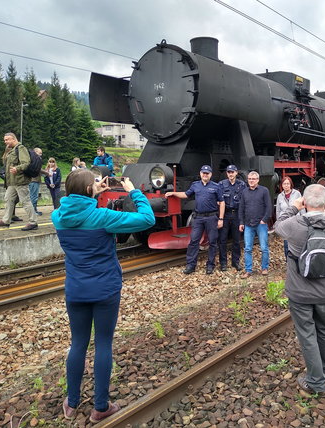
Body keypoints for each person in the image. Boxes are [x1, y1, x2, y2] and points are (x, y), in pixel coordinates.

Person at [53, 169, 155, 423]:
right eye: (95, 183)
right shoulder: (103, 216)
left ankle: (72, 403)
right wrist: (134, 191)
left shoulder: (57, 217)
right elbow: (147, 219)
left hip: (75, 290)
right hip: (105, 289)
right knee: (103, 344)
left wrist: (92, 190)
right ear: (90, 190)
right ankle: (101, 406)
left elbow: (78, 208)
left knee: (78, 344)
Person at [274, 184, 325, 396]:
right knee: (324, 330)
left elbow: (278, 225)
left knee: (307, 335)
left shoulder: (294, 224)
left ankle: (316, 382)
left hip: (299, 293)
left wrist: (294, 208)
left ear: (304, 202)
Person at [165, 165, 224, 274]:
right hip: (199, 218)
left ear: (210, 174)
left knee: (212, 242)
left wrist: (220, 218)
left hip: (212, 217)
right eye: (203, 173)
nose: (205, 175)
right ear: (200, 174)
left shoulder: (216, 187)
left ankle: (210, 265)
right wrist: (174, 193)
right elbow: (186, 194)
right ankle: (191, 265)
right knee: (193, 241)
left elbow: (222, 202)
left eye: (207, 173)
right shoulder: (195, 185)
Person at [0, 133, 37, 231]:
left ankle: (33, 222)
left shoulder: (20, 148)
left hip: (20, 181)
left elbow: (26, 163)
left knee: (25, 201)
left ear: (13, 139)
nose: (5, 142)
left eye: (7, 139)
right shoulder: (12, 150)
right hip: (12, 182)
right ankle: (6, 220)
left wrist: (17, 168)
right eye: (4, 140)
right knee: (8, 199)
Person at [238, 171, 272, 278]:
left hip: (261, 224)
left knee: (264, 247)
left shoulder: (264, 191)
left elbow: (269, 206)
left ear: (258, 180)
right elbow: (241, 208)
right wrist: (241, 222)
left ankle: (264, 268)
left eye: (253, 179)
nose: (251, 181)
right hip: (248, 224)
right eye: (249, 179)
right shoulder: (244, 192)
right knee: (248, 248)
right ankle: (248, 270)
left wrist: (265, 219)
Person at [218, 165, 246, 271]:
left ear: (236, 173)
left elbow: (244, 201)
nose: (230, 174)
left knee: (236, 240)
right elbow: (218, 199)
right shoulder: (221, 184)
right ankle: (223, 263)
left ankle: (236, 262)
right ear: (227, 173)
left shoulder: (242, 185)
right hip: (225, 214)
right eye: (228, 172)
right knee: (222, 240)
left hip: (236, 214)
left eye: (232, 172)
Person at [275, 176, 302, 259]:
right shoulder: (280, 196)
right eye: (284, 184)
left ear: (291, 185)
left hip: (296, 221)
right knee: (286, 243)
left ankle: (298, 259)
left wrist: (303, 219)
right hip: (285, 223)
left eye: (288, 184)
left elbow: (301, 208)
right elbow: (278, 210)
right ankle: (288, 260)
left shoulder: (297, 194)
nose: (286, 185)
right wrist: (279, 222)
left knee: (297, 242)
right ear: (282, 185)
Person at [29, 148, 44, 216]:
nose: (41, 155)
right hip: (34, 180)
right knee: (33, 196)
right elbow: (39, 169)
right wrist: (47, 173)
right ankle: (33, 211)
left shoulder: (33, 159)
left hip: (35, 180)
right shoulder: (35, 160)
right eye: (39, 153)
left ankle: (34, 210)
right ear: (35, 152)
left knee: (34, 196)